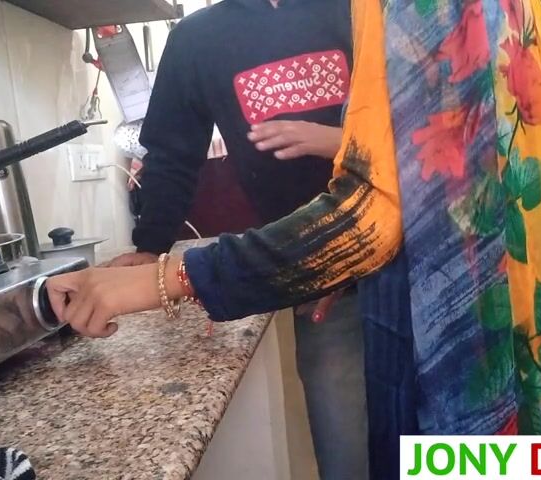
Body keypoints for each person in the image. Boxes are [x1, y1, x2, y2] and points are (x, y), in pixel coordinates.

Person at [49, 0, 541, 476]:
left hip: (446, 288)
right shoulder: (201, 38)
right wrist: (153, 246)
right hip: (497, 285)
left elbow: (385, 200)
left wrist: (159, 280)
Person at [101, 0, 369, 478]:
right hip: (320, 282)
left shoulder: (360, 9)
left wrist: (337, 140)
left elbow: (420, 122)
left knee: (452, 432)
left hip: (414, 257)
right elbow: (172, 154)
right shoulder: (197, 39)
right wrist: (149, 247)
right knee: (347, 453)